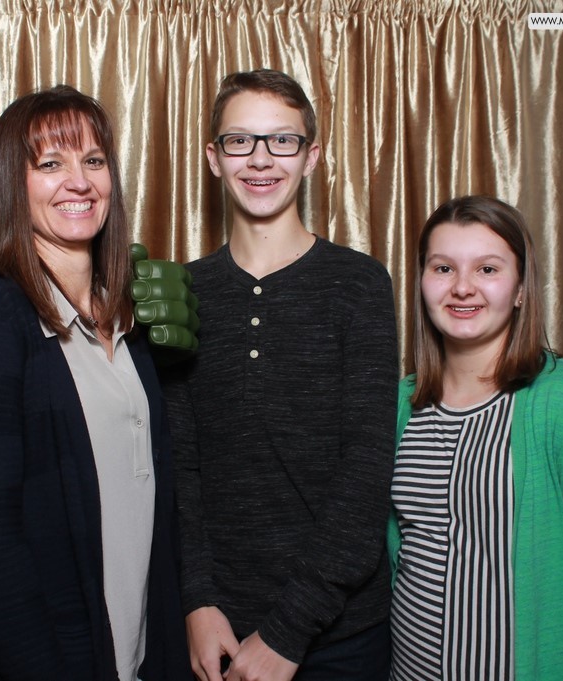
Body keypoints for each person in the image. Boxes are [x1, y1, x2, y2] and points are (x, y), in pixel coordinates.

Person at [0, 85, 192, 681]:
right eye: (50, 164)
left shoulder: (129, 318)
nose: (79, 182)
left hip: (132, 653)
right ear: (11, 184)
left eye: (93, 160)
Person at [162, 69, 398, 681]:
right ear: (214, 158)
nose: (261, 159)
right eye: (240, 140)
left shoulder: (360, 284)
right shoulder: (185, 291)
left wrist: (288, 632)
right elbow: (181, 467)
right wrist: (197, 601)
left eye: (282, 141)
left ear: (311, 156)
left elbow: (366, 473)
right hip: (214, 628)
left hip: (340, 633)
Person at [387, 195, 563, 680]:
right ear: (422, 282)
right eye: (443, 268)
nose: (463, 287)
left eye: (488, 269)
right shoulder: (401, 405)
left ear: (519, 289)